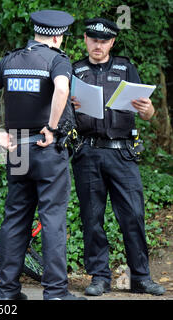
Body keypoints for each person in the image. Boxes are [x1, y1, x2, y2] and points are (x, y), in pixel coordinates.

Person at [0, 9, 85, 300]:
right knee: (53, 220)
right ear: (58, 35)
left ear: (36, 32)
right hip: (47, 151)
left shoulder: (10, 60)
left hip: (17, 151)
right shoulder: (57, 60)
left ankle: (8, 292)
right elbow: (62, 88)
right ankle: (56, 292)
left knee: (15, 221)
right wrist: (52, 126)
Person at [71, 18, 165, 296]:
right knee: (92, 217)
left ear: (111, 42)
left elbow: (148, 114)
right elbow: (60, 113)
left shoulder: (126, 68)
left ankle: (140, 277)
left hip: (123, 154)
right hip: (87, 152)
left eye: (104, 41)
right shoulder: (74, 70)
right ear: (85, 40)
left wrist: (147, 110)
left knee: (133, 216)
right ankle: (100, 277)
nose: (98, 45)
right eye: (93, 39)